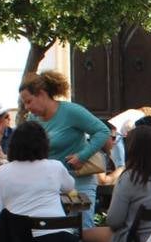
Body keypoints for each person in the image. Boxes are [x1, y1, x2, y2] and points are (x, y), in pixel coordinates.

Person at [19, 70, 111, 229]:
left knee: (83, 228)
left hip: (78, 182)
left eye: (29, 101)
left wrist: (82, 156)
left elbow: (103, 131)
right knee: (54, 228)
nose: (27, 108)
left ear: (41, 94)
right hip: (49, 184)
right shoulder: (33, 119)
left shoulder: (71, 111)